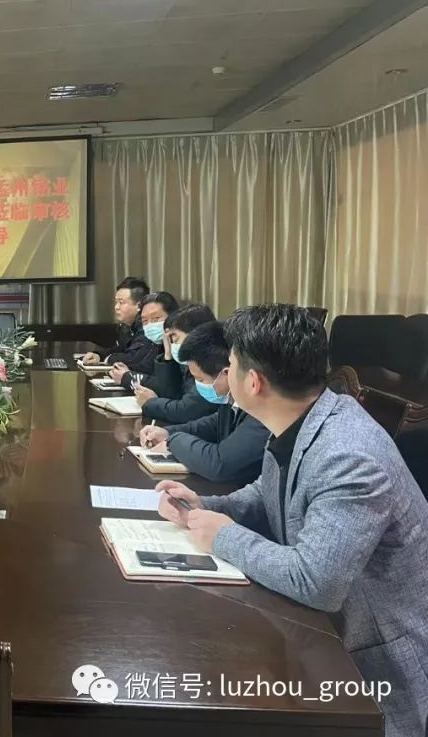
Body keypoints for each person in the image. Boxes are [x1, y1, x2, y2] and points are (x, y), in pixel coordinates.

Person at [156, 305, 428, 737]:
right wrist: (208, 505)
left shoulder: (349, 455)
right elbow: (267, 493)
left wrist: (224, 537)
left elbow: (316, 581)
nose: (224, 372)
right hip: (317, 635)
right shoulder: (302, 416)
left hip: (373, 671)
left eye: (230, 363)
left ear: (253, 381)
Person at [139, 320, 268, 485]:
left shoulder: (264, 409)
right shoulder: (232, 399)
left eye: (200, 380)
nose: (198, 385)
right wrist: (168, 432)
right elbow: (215, 424)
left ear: (227, 373)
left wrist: (173, 441)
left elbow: (220, 464)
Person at [134, 303, 216, 425]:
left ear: (195, 334)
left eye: (173, 337)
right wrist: (168, 357)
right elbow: (172, 395)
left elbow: (185, 411)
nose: (170, 343)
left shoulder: (212, 364)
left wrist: (151, 402)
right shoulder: (189, 363)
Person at [80, 277, 161, 374]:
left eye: (121, 302)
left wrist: (108, 358)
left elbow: (134, 358)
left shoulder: (148, 327)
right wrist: (99, 355)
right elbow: (120, 350)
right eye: (116, 302)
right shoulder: (126, 327)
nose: (116, 307)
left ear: (139, 306)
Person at [111, 291, 178, 389]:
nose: (150, 325)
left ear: (173, 317)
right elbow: (145, 369)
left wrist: (127, 377)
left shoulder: (179, 346)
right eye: (145, 321)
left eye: (156, 318)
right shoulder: (156, 343)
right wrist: (124, 371)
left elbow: (166, 387)